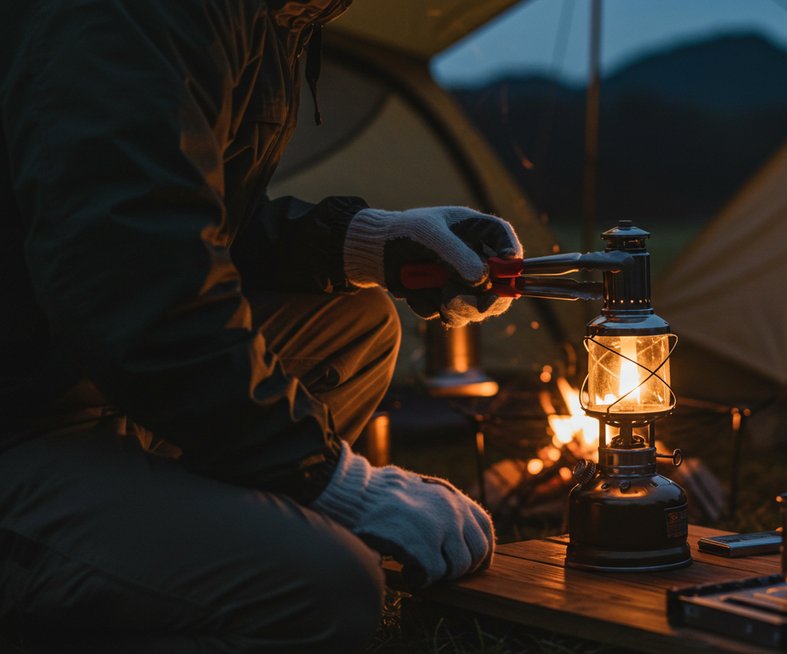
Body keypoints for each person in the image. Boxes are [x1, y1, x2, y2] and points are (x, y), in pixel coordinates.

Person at [0, 1, 517, 651]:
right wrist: (342, 486)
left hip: (80, 369)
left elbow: (181, 215)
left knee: (355, 325)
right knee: (327, 588)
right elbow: (134, 278)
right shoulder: (125, 16)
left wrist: (366, 244)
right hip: (25, 418)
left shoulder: (270, 14)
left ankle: (190, 532)